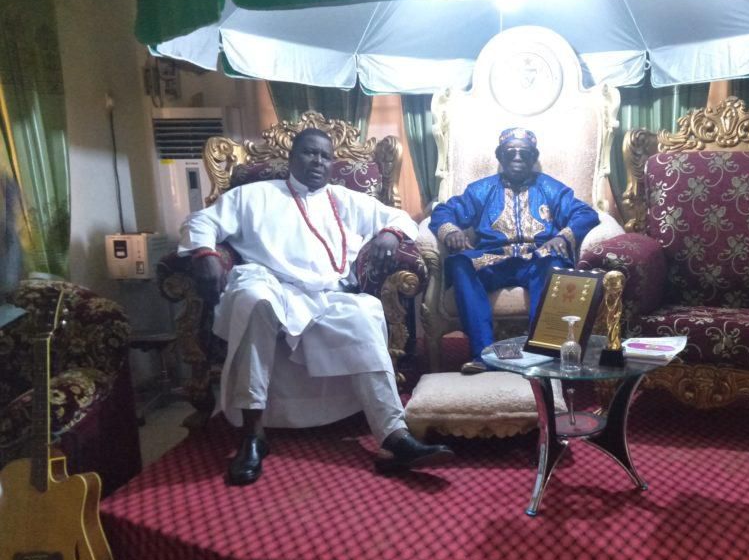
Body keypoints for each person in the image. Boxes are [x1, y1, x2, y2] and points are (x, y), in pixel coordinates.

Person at [179, 128, 453, 486]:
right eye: (310, 153)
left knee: (366, 314)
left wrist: (389, 234)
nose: (318, 162)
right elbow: (200, 220)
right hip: (269, 284)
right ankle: (252, 434)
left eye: (325, 156)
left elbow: (401, 219)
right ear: (291, 158)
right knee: (252, 300)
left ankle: (393, 436)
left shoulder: (345, 199)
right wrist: (205, 254)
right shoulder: (252, 196)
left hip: (326, 293)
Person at [429, 127, 599, 374]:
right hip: (492, 259)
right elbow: (444, 212)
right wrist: (452, 231)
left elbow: (585, 213)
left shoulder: (550, 188)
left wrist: (563, 236)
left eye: (525, 153)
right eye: (511, 153)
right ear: (500, 157)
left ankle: (545, 355)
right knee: (459, 263)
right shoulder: (481, 189)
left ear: (533, 158)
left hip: (537, 258)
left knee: (555, 266)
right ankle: (484, 355)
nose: (518, 158)